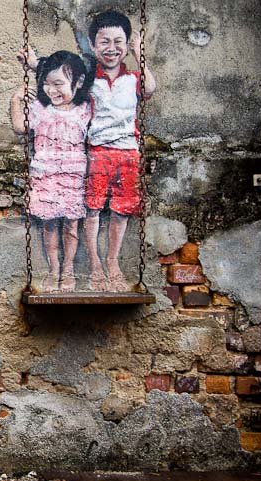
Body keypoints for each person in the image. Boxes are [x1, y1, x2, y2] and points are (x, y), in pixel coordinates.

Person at [83, 10, 157, 290]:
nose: (111, 49)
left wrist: (140, 54)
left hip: (128, 153)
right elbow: (59, 81)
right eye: (104, 42)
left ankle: (112, 261)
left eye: (118, 42)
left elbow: (150, 88)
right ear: (92, 45)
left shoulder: (134, 79)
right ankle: (95, 264)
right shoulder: (89, 81)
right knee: (92, 208)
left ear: (126, 45)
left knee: (121, 210)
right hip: (98, 151)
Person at [10, 51, 93, 292]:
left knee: (71, 226)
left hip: (73, 177)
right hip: (45, 176)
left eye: (58, 84)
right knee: (49, 225)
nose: (51, 90)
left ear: (77, 83)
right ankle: (53, 270)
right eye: (46, 84)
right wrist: (16, 100)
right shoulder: (40, 108)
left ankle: (68, 270)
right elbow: (19, 127)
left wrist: (38, 64)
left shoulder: (85, 109)